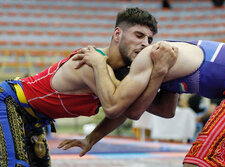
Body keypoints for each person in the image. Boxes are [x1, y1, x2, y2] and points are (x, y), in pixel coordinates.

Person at [0, 7, 176, 167]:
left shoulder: (123, 72)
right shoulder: (89, 62)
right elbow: (115, 107)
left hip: (34, 117)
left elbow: (162, 111)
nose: (146, 43)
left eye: (150, 39)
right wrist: (157, 72)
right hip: (9, 102)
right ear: (117, 34)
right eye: (139, 36)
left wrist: (90, 139)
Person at [59, 40, 225, 167]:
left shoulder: (152, 56)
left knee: (197, 163)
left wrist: (100, 65)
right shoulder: (163, 69)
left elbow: (125, 108)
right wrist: (91, 139)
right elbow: (166, 111)